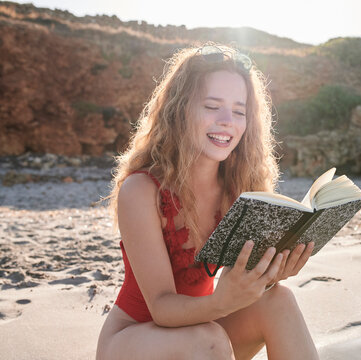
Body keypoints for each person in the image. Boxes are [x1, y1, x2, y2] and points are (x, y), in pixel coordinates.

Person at [96, 43, 319, 359]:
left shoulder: (239, 189)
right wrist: (223, 302)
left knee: (279, 300)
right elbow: (161, 307)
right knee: (208, 338)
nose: (228, 120)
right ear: (180, 110)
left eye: (239, 111)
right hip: (134, 341)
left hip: (204, 329)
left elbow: (233, 284)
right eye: (212, 106)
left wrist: (269, 273)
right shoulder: (142, 189)